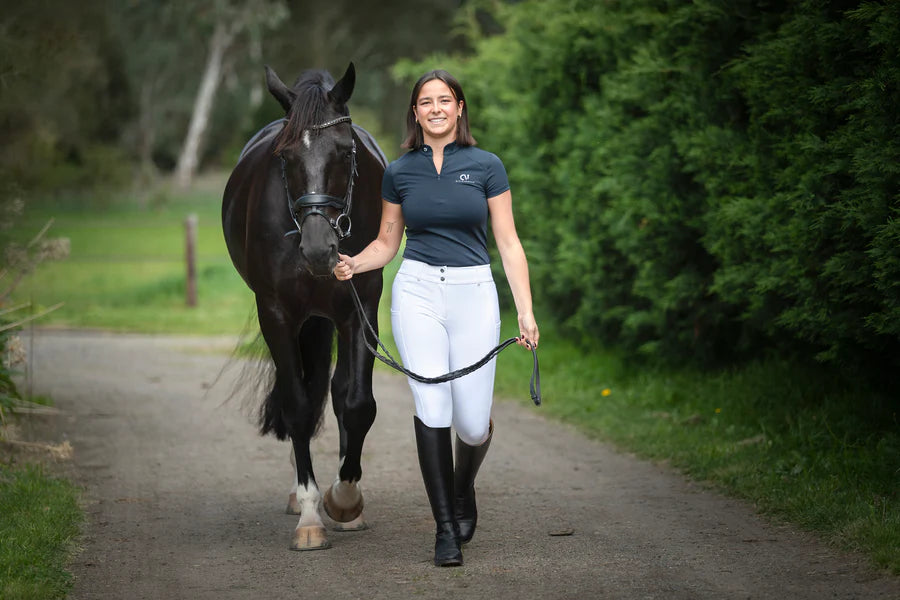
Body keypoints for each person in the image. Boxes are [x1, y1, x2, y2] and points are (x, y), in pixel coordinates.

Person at [333, 69, 539, 567]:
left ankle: (462, 485)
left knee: (471, 426)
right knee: (432, 407)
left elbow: (508, 243)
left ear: (460, 107)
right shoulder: (400, 172)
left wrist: (527, 313)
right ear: (416, 112)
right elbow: (387, 242)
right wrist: (354, 262)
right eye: (425, 102)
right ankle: (445, 528)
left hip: (475, 294)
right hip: (418, 291)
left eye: (444, 100)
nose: (436, 109)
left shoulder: (487, 165)